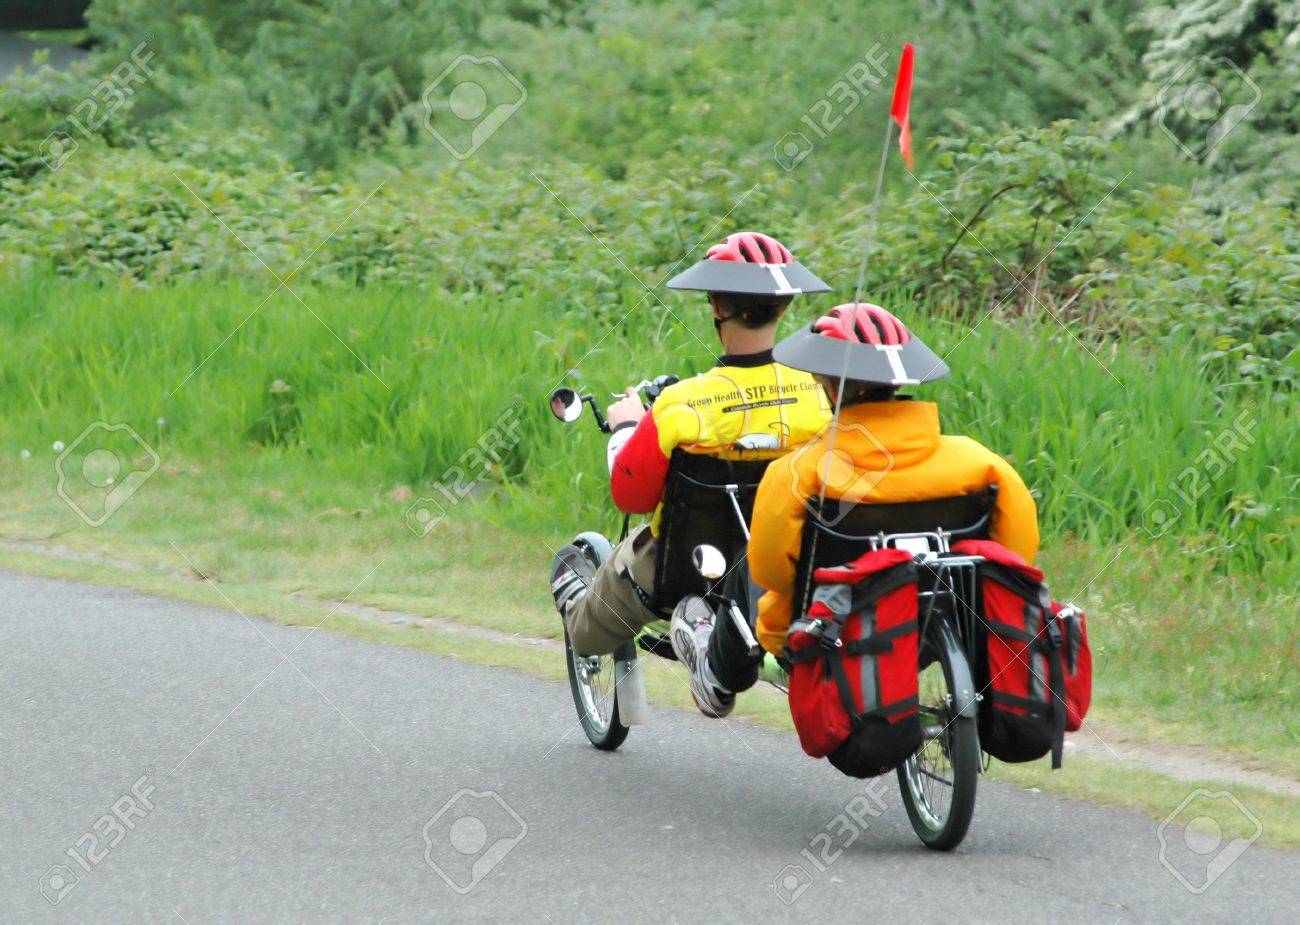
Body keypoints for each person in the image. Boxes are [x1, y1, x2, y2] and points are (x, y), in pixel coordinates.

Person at [674, 301, 1040, 704]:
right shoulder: (981, 463)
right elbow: (1018, 550)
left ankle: (719, 674)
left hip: (832, 628)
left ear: (829, 387)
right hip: (949, 614)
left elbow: (773, 573)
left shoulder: (798, 474)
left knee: (747, 563)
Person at [550, 232, 832, 717]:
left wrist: (624, 427)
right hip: (785, 561)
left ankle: (579, 598)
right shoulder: (819, 393)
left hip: (681, 568)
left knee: (584, 628)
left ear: (717, 305)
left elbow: (631, 494)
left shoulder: (680, 405)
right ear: (783, 307)